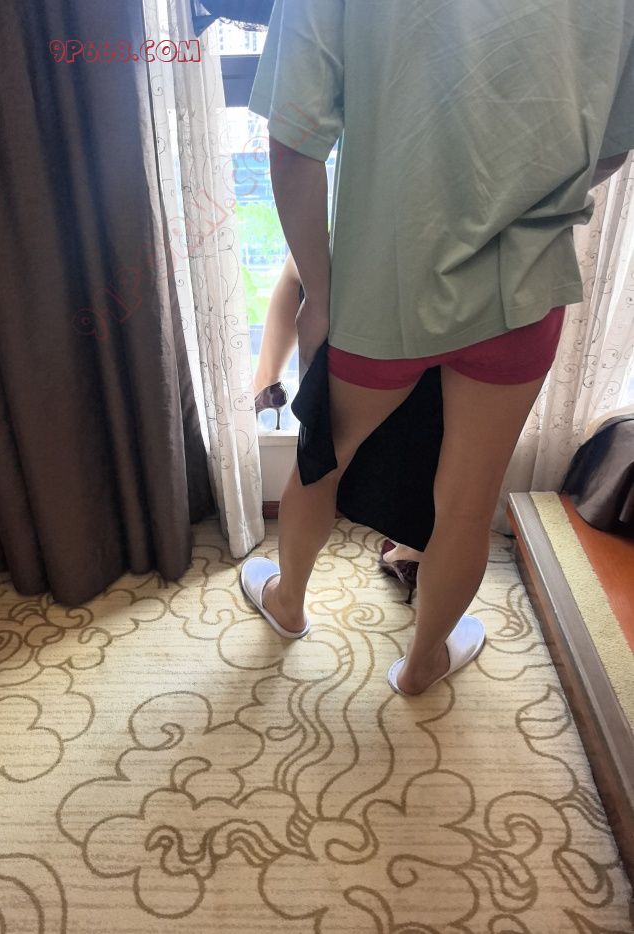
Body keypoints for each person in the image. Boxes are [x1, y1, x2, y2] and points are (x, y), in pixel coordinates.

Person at [241, 0, 634, 696]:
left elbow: (294, 142)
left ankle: (288, 603)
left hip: (383, 281)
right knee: (466, 505)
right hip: (523, 288)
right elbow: (611, 148)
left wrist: (320, 295)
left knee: (321, 462)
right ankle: (422, 664)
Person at [254, 254, 424, 600]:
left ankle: (266, 385)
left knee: (320, 467)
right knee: (460, 484)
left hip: (382, 300)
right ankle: (412, 558)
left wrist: (317, 301)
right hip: (489, 308)